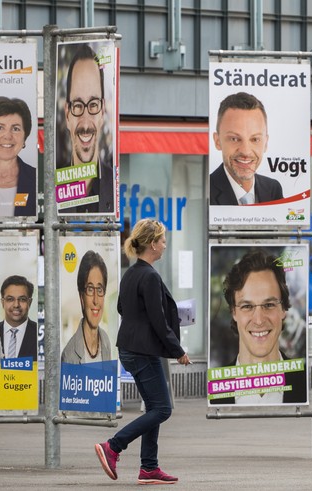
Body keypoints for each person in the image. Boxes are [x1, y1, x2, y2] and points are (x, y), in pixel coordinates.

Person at [95, 218, 190, 485]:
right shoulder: (149, 276)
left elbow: (123, 310)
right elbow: (158, 320)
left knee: (154, 407)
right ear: (151, 244)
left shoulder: (131, 273)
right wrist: (178, 350)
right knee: (162, 409)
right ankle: (113, 446)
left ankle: (149, 468)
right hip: (141, 351)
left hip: (130, 347)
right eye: (161, 240)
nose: (164, 244)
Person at [211, 249, 307, 405]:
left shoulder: (306, 384)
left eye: (269, 305)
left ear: (283, 309)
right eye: (247, 306)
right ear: (234, 312)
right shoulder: (214, 388)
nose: (259, 319)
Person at [60, 43, 115, 214]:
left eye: (92, 105)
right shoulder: (51, 185)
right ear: (67, 114)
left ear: (102, 111)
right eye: (77, 105)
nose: (85, 123)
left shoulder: (115, 186)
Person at [209, 92, 283, 206]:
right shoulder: (205, 192)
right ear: (217, 141)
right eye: (234, 139)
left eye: (255, 139)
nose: (246, 151)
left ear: (265, 143)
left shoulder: (273, 190)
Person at [62, 251, 112, 364]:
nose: (95, 300)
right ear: (81, 297)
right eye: (90, 289)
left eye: (99, 290)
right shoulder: (69, 354)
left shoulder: (106, 342)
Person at [0, 275, 38, 360]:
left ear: (29, 302)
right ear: (2, 302)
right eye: (10, 299)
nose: (16, 305)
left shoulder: (41, 335)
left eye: (22, 299)